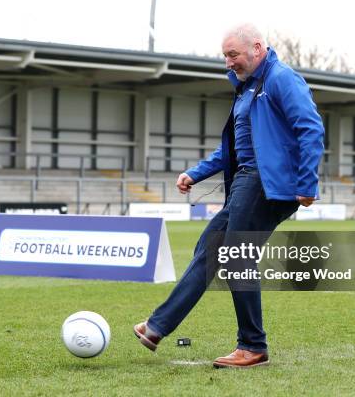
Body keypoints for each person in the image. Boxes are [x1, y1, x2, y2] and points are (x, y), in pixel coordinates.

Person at [134, 23, 325, 368]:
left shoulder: (281, 78)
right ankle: (158, 326)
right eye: (225, 56)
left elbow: (310, 128)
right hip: (247, 181)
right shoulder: (245, 90)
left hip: (265, 184)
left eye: (233, 54)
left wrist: (307, 183)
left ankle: (251, 346)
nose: (228, 63)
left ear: (256, 48)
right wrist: (196, 172)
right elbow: (233, 151)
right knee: (210, 248)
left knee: (235, 255)